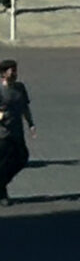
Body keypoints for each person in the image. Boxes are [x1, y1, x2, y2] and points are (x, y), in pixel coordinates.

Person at [0, 58, 31, 205]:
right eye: (12, 70)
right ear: (4, 74)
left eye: (16, 70)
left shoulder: (20, 88)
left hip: (17, 131)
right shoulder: (1, 90)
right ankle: (2, 193)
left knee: (22, 158)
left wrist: (30, 123)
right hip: (3, 134)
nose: (15, 73)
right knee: (3, 163)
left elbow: (25, 106)